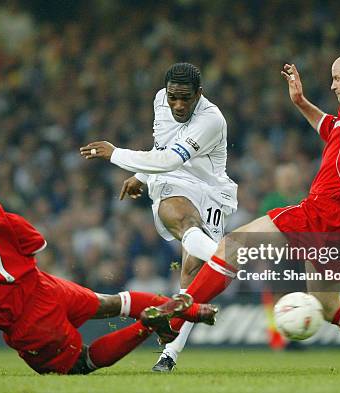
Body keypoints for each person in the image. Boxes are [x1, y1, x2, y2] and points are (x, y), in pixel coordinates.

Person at [165, 50, 340, 372]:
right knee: (328, 306)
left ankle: (177, 317)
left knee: (232, 246)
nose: (333, 86)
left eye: (337, 78)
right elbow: (330, 128)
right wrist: (301, 102)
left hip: (321, 211)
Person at [0, 184, 217, 375]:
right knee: (113, 303)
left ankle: (150, 323)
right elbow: (37, 243)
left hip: (29, 322)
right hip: (46, 286)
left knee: (82, 362)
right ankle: (193, 309)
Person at [80, 62, 237, 372]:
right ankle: (228, 260)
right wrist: (140, 173)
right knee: (178, 217)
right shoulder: (159, 100)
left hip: (213, 191)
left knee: (191, 278)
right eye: (173, 97)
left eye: (185, 99)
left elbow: (167, 158)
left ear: (199, 95)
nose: (178, 105)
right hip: (173, 180)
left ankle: (170, 354)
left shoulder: (212, 119)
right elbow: (161, 148)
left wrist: (115, 155)